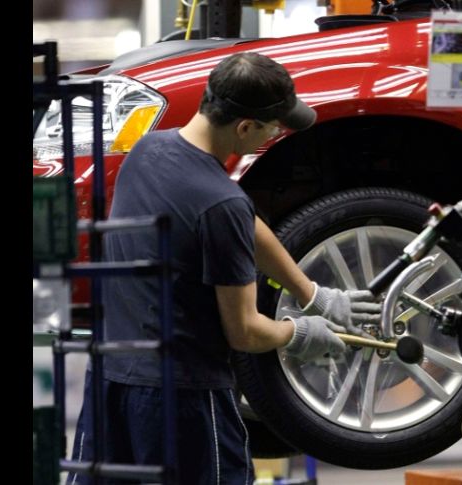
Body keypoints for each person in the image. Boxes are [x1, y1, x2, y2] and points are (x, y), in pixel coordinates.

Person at [67, 52, 381, 484]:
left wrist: (312, 292)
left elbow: (245, 222)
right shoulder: (220, 203)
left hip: (111, 379)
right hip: (182, 400)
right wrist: (300, 333)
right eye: (274, 127)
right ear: (245, 127)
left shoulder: (148, 150)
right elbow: (245, 332)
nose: (277, 135)